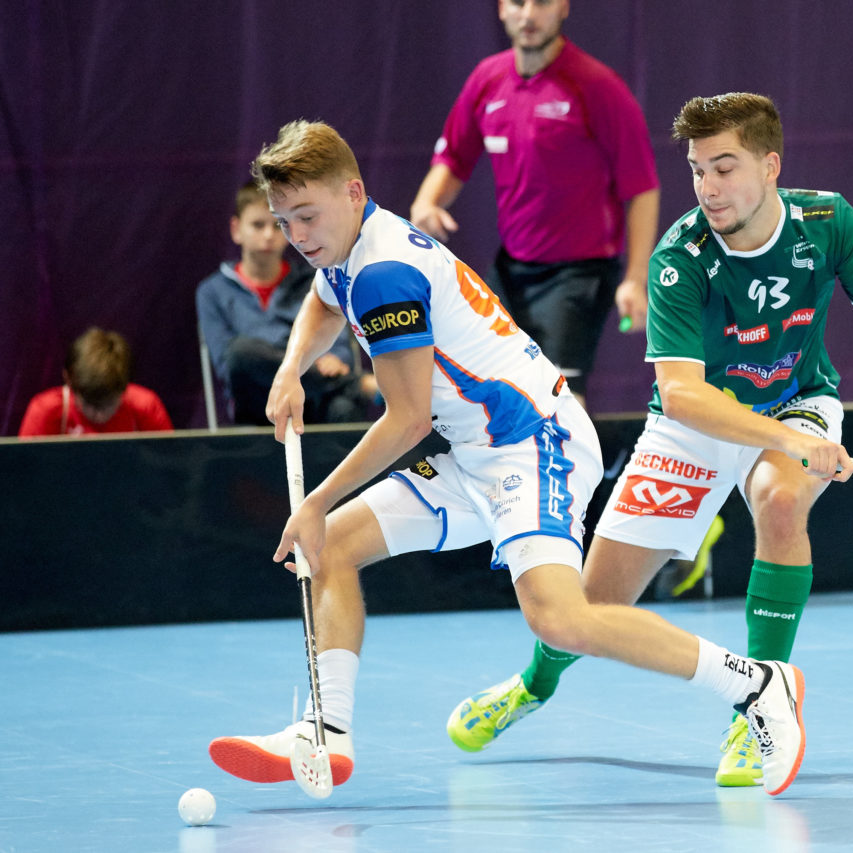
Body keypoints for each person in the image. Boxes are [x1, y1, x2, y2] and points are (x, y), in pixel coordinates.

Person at [207, 119, 808, 797]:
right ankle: (328, 729)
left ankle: (758, 684)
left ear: (353, 192)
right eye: (285, 221)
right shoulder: (348, 245)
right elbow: (323, 299)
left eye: (307, 216)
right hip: (478, 449)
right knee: (334, 548)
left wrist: (317, 501)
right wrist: (291, 368)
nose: (298, 236)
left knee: (562, 620)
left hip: (535, 441)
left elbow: (406, 420)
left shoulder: (384, 275)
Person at [445, 92, 853, 788]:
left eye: (724, 167)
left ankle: (759, 708)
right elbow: (683, 396)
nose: (708, 187)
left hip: (797, 399)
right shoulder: (679, 258)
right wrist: (788, 442)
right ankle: (535, 683)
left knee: (780, 500)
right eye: (696, 170)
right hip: (693, 427)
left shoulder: (829, 221)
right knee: (589, 609)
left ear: (770, 165)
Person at [409, 0, 659, 404]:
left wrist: (635, 279)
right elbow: (453, 157)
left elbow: (642, 187)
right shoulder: (487, 79)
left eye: (541, 2)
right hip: (511, 270)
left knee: (558, 400)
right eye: (517, 3)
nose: (528, 15)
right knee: (490, 391)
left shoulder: (598, 86)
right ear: (501, 8)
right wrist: (425, 203)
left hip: (579, 273)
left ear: (563, 7)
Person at [196, 181, 378, 425]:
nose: (268, 235)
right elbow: (227, 364)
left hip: (312, 396)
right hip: (256, 398)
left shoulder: (314, 279)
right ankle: (357, 384)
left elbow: (340, 348)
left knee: (344, 408)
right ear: (236, 229)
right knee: (241, 353)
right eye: (257, 225)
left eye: (277, 225)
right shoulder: (212, 291)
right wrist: (298, 361)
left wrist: (334, 360)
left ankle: (345, 388)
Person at [19, 327, 173, 437]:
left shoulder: (146, 407)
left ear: (125, 388)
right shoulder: (45, 411)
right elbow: (25, 469)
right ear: (69, 381)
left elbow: (169, 467)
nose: (99, 416)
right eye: (89, 404)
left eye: (108, 405)